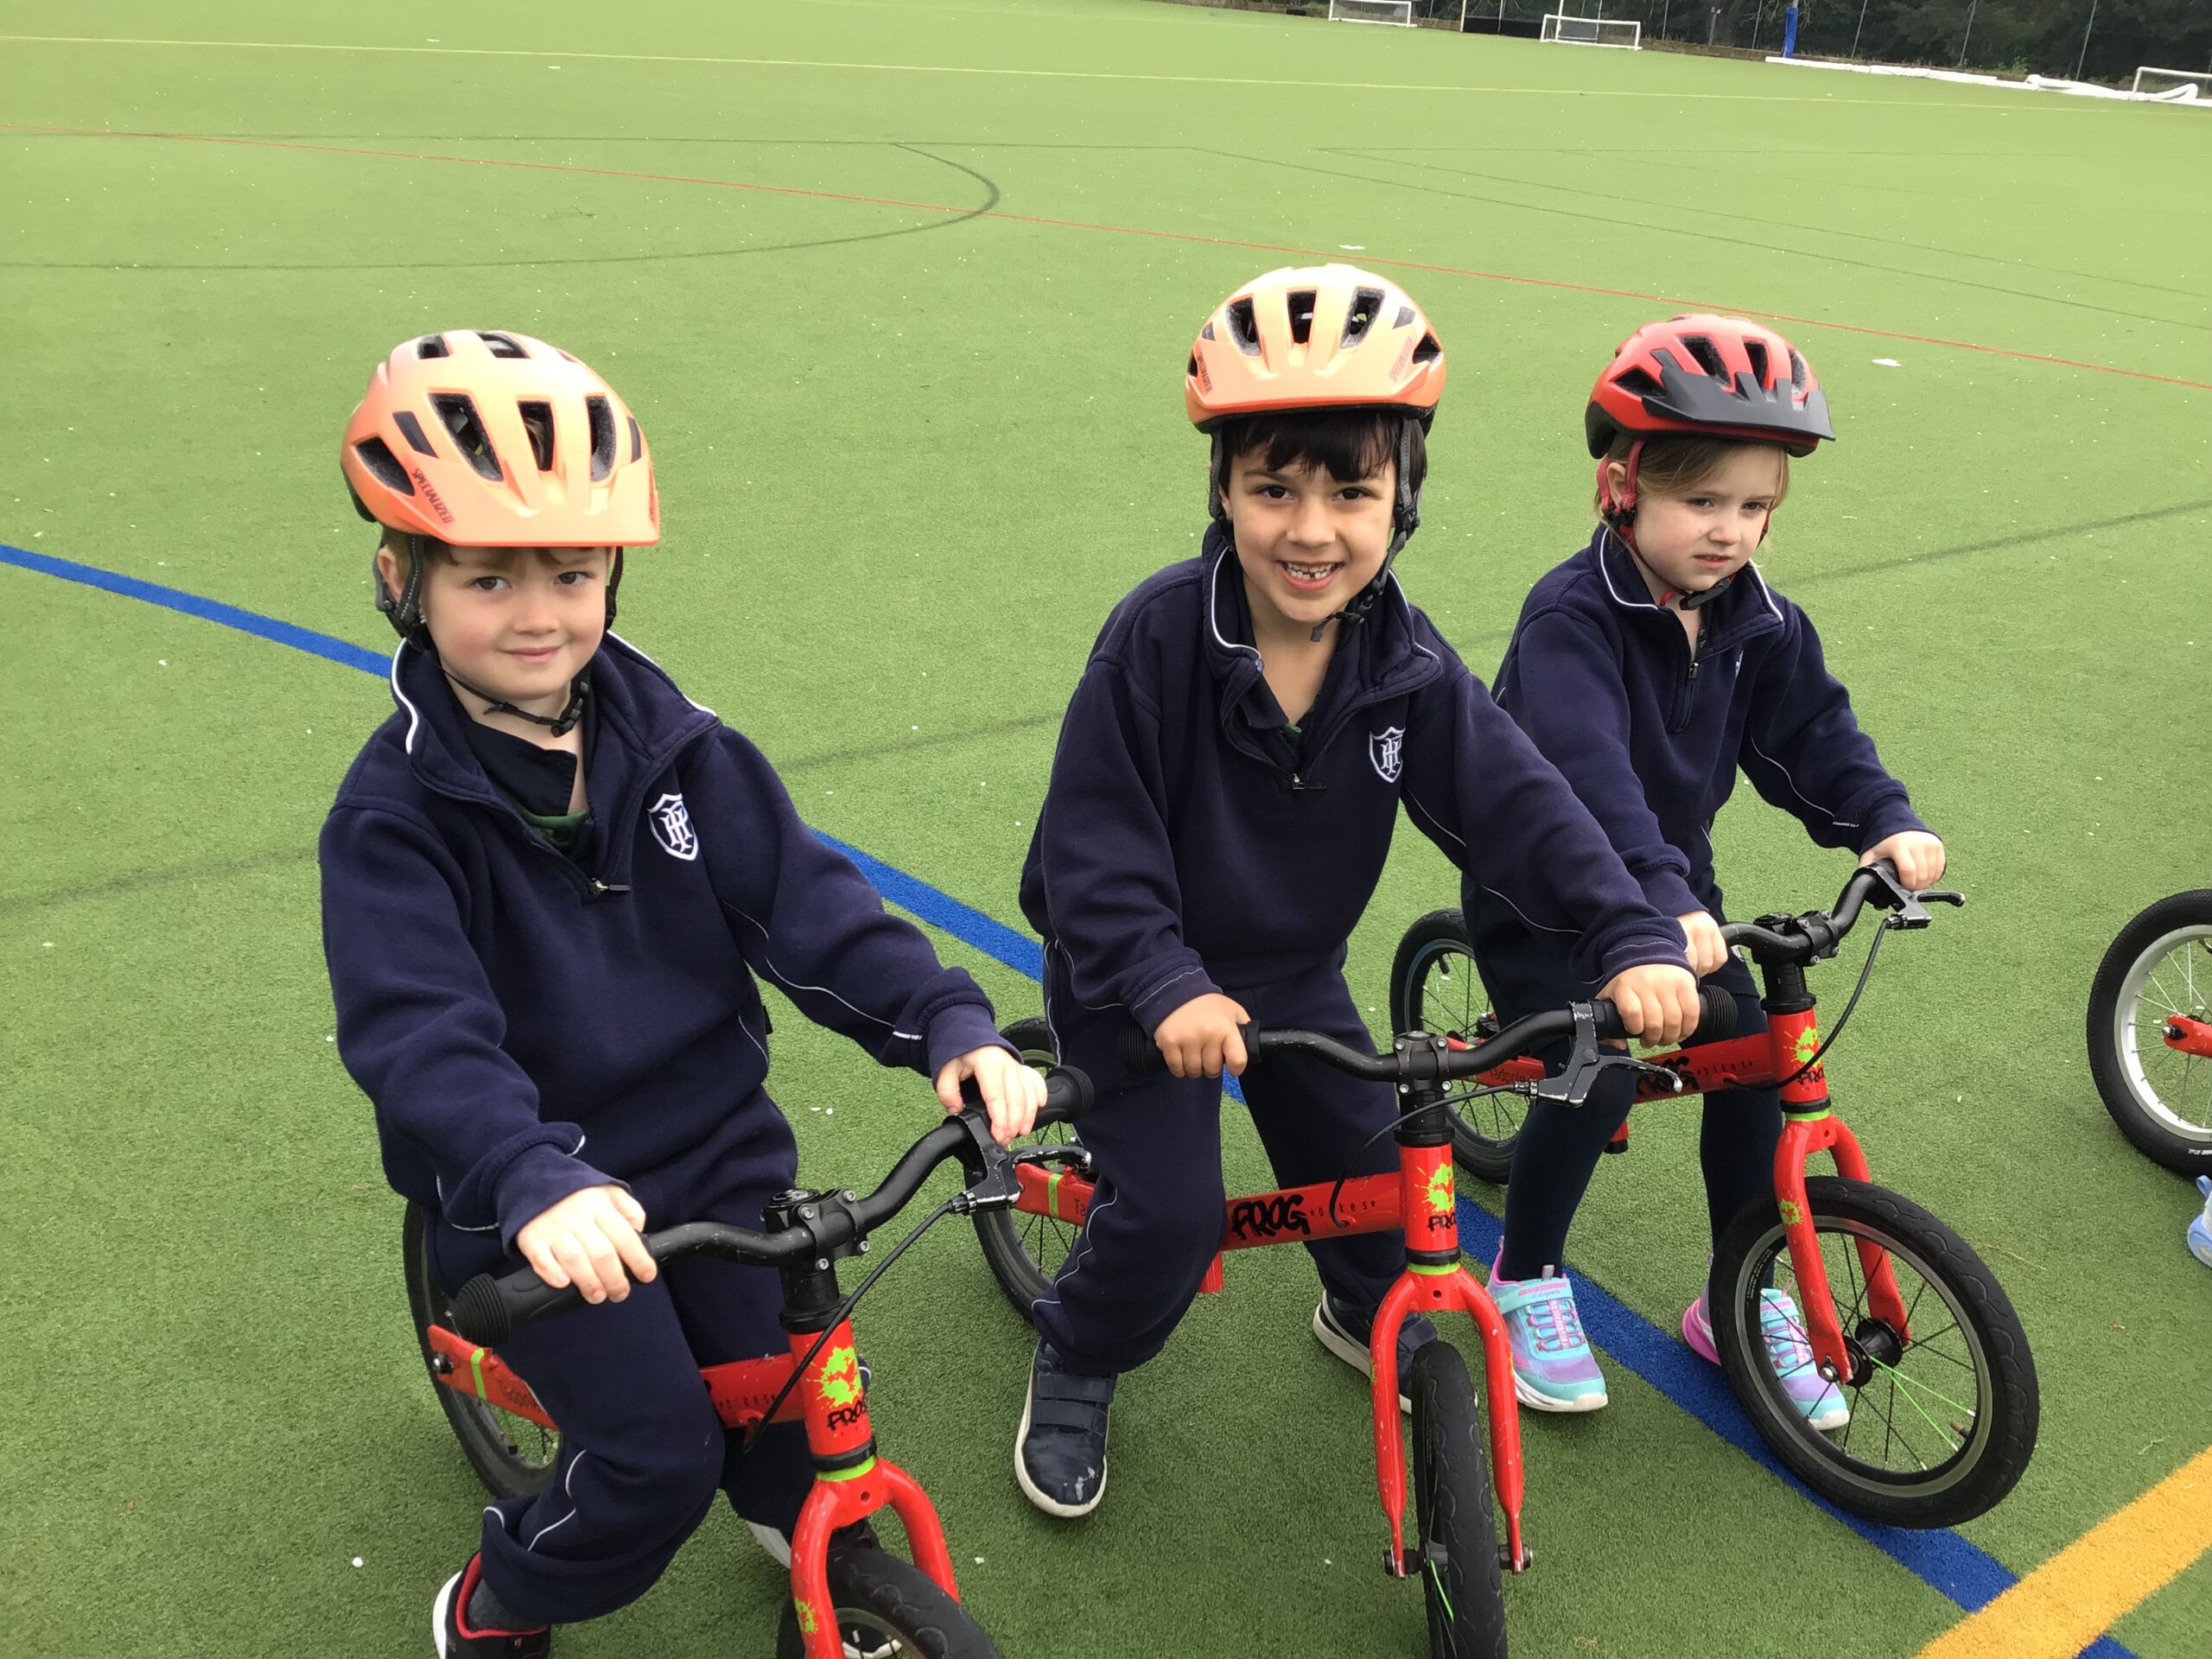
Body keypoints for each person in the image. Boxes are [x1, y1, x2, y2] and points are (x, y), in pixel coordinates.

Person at [318, 328, 1045, 1656]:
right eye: (488, 577)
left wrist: (946, 1023)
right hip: (539, 1198)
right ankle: (496, 1606)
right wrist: (528, 1176)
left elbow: (813, 911)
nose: (539, 613)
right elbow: (420, 1028)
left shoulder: (681, 751)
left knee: (801, 1390)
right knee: (654, 1459)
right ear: (401, 577)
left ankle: (807, 1526)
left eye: (573, 571)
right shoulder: (393, 820)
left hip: (714, 1155)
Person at [1011, 266, 1701, 1518]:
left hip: (1288, 974)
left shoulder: (1404, 659)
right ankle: (1078, 1347)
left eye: (1352, 492)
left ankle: (1353, 1302)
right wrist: (1164, 984)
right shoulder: (1159, 639)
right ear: (1224, 491)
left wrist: (1627, 931)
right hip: (1136, 981)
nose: (1311, 530)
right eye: (1273, 488)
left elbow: (1523, 803)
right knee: (1170, 1225)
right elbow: (1092, 849)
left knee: (1383, 1202)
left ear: (1402, 504)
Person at [1473, 314, 1945, 1421]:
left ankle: (1739, 1286)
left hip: (1675, 895)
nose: (1729, 531)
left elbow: (1813, 737)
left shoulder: (1758, 622)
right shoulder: (1568, 622)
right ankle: (1527, 1271)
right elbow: (1588, 780)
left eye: (1754, 508)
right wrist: (1657, 903)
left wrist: (1879, 818)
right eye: (1702, 504)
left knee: (1755, 1049)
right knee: (1600, 1057)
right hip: (1554, 901)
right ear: (1620, 487)